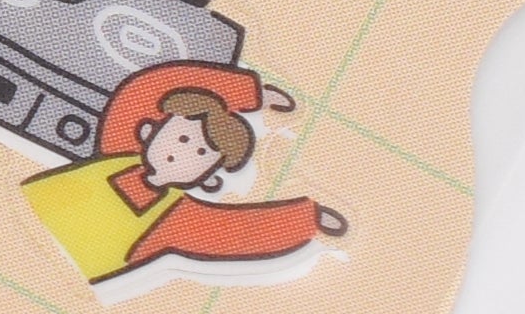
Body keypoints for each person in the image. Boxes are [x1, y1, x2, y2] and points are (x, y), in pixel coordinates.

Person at [19, 64, 346, 286]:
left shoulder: (175, 219)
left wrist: (307, 219)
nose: (183, 152)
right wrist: (247, 91)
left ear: (208, 178)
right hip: (19, 213)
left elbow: (235, 233)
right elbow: (146, 89)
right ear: (148, 130)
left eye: (202, 153)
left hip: (60, 274)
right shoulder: (117, 149)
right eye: (184, 138)